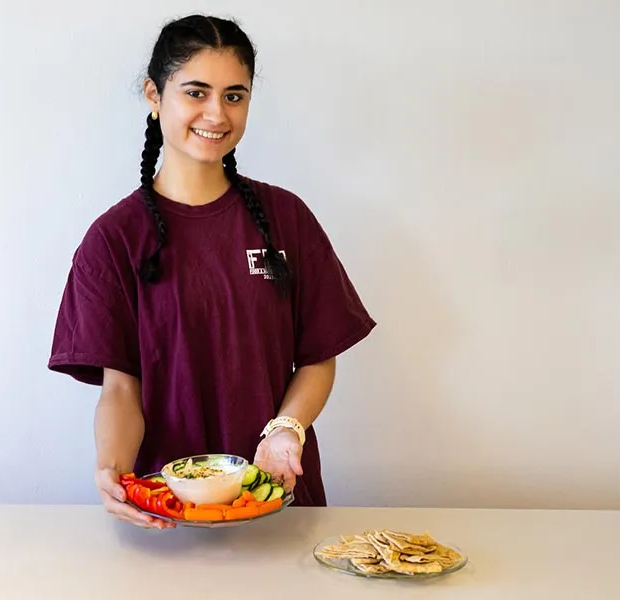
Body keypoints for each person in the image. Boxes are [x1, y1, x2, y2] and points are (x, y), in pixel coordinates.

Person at [48, 14, 375, 528]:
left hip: (277, 499)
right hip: (166, 511)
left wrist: (286, 429)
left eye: (234, 96)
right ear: (154, 95)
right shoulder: (113, 241)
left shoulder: (286, 219)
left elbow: (318, 357)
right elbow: (119, 389)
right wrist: (111, 470)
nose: (216, 114)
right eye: (196, 92)